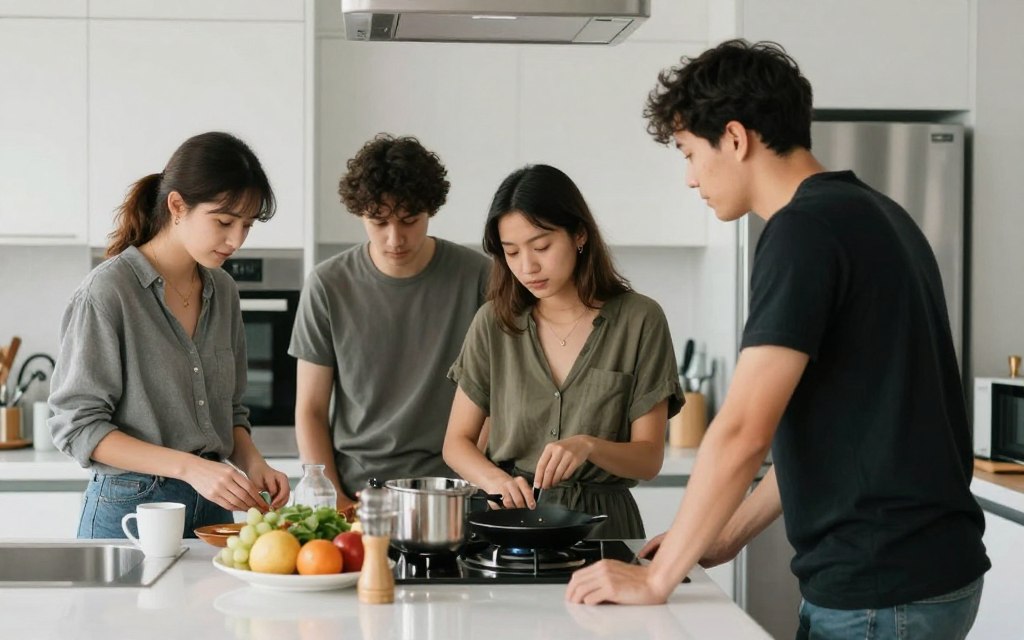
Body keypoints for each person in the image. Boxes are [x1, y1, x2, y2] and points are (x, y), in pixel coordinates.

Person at [566, 40, 990, 640]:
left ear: (735, 139)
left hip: (878, 590)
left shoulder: (802, 232)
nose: (690, 178)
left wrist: (657, 579)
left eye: (690, 153)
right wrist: (723, 536)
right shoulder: (878, 213)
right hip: (925, 574)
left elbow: (743, 430)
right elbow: (833, 433)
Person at [49, 131, 291, 539]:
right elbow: (77, 428)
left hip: (214, 508)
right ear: (177, 206)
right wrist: (191, 468)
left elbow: (230, 412)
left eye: (247, 225)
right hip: (130, 510)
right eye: (224, 221)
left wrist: (253, 463)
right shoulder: (108, 293)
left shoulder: (224, 290)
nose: (236, 240)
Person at [442, 164, 683, 539]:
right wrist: (494, 479)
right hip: (513, 526)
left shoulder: (640, 320)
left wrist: (589, 446)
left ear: (579, 234)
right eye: (511, 252)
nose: (527, 267)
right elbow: (456, 443)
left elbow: (648, 459)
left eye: (541, 247)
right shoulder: (493, 323)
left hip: (603, 532)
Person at [289, 133, 491, 509]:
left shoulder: (480, 277)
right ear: (360, 214)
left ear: (430, 210)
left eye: (409, 220)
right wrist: (334, 498)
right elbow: (311, 409)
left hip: (453, 490)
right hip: (357, 491)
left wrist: (473, 484)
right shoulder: (327, 284)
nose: (395, 238)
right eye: (378, 222)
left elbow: (498, 396)